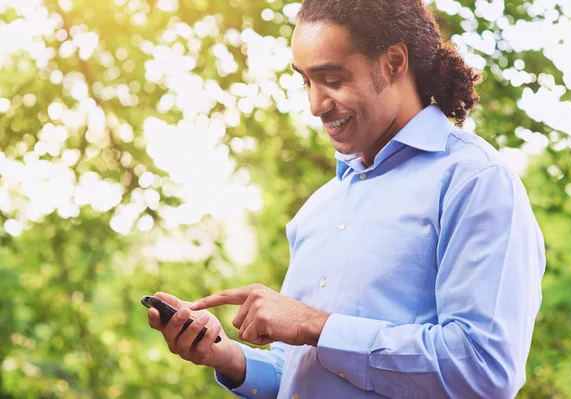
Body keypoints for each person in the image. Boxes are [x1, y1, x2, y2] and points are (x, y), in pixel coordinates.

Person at [147, 0, 546, 397]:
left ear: (393, 62)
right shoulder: (319, 209)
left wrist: (314, 324)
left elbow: (484, 370)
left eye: (332, 79)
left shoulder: (475, 181)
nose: (315, 105)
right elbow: (303, 370)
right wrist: (227, 357)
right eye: (306, 81)